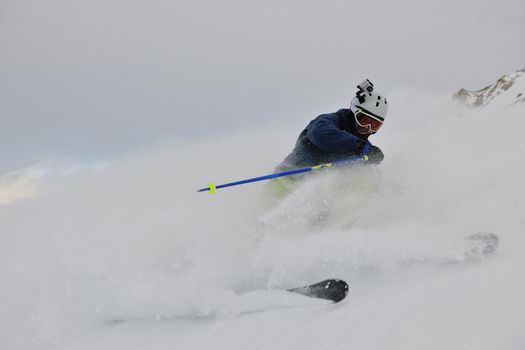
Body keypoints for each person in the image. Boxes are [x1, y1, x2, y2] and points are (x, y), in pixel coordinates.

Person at [275, 78, 388, 173]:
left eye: (374, 125)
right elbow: (320, 133)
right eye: (363, 120)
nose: (367, 128)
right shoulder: (328, 122)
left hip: (320, 190)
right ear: (354, 112)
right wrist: (360, 147)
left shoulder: (363, 147)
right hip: (287, 179)